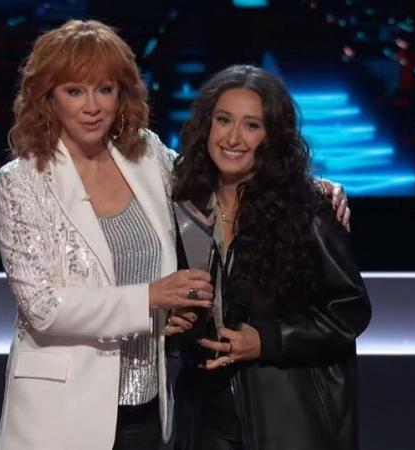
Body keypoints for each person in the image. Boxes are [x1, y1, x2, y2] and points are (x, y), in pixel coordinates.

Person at [0, 20, 350, 450]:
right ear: (48, 98)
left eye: (104, 90)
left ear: (122, 94)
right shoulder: (21, 182)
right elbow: (43, 307)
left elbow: (220, 167)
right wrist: (151, 298)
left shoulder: (144, 155)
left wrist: (314, 189)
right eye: (74, 91)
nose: (92, 107)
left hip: (149, 405)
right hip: (61, 412)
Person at [168, 65, 372, 450]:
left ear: (272, 136)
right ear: (206, 126)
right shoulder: (184, 205)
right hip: (203, 413)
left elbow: (350, 310)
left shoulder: (307, 208)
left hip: (285, 416)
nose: (233, 138)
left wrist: (267, 340)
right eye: (223, 120)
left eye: (251, 126)